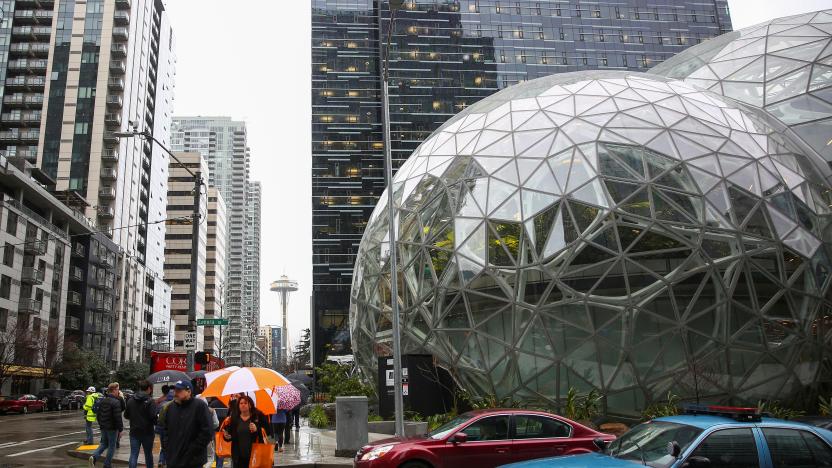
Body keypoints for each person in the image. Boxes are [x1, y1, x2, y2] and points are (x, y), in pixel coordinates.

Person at [160, 380, 213, 468]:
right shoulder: (170, 407)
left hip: (193, 461)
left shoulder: (199, 406)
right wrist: (167, 447)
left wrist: (193, 450)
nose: (175, 393)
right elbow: (165, 429)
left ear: (189, 392)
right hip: (174, 459)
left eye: (179, 391)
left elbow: (207, 431)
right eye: (175, 390)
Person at [222, 395, 268, 467]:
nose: (243, 405)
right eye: (241, 403)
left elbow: (268, 431)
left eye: (245, 403)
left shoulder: (257, 416)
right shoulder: (235, 418)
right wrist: (227, 437)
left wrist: (257, 429)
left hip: (254, 456)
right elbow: (231, 435)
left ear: (250, 405)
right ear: (238, 405)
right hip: (238, 457)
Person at [88, 383, 124, 468]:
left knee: (104, 444)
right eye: (118, 389)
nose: (118, 391)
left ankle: (94, 457)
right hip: (112, 427)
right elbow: (117, 417)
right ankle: (107, 464)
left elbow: (98, 414)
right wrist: (121, 429)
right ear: (114, 390)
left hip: (104, 426)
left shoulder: (103, 400)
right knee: (112, 446)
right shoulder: (116, 402)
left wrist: (101, 424)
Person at [124, 380, 157, 468]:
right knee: (148, 454)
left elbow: (126, 415)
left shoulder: (131, 400)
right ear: (149, 388)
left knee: (134, 454)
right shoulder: (150, 401)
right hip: (148, 432)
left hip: (134, 431)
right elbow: (153, 418)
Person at [208, 397, 228, 468]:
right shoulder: (227, 404)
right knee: (220, 449)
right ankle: (219, 466)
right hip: (223, 430)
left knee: (215, 448)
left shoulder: (213, 404)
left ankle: (217, 465)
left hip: (214, 430)